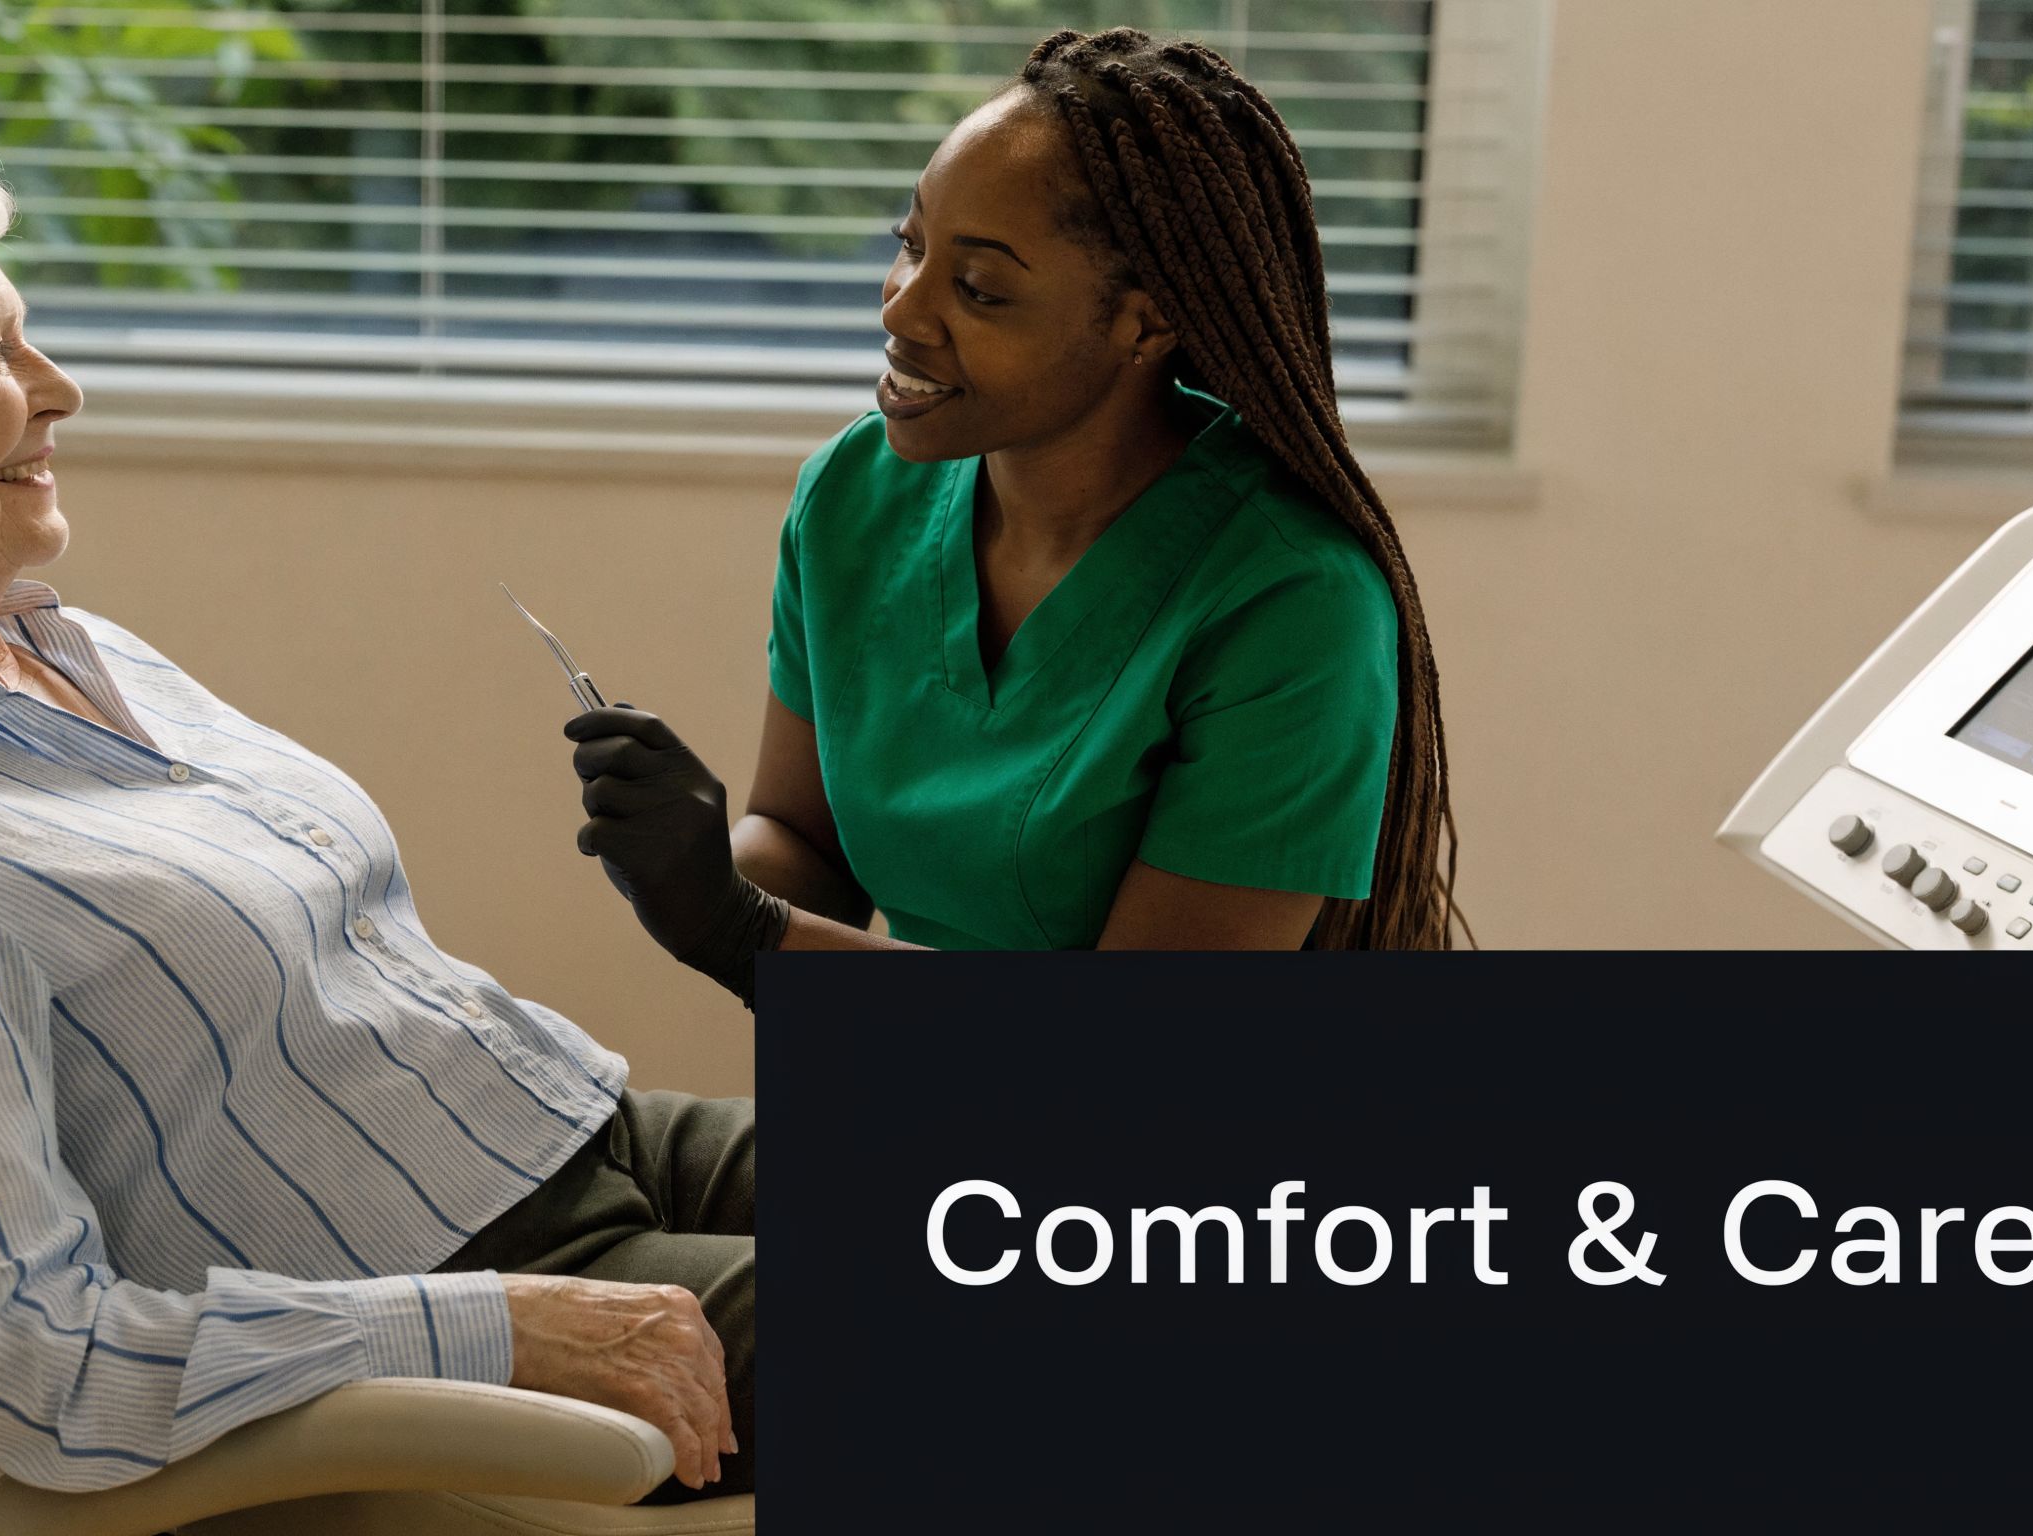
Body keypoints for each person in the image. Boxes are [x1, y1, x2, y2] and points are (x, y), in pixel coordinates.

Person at [0, 95, 748, 1498]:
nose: (59, 386)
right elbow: (36, 1366)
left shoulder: (69, 648)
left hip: (582, 1127)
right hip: (490, 1275)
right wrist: (499, 1327)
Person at [568, 28, 1462, 998]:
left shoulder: (1294, 604)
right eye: (910, 244)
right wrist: (686, 866)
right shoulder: (855, 496)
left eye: (980, 288)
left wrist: (741, 931)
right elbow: (805, 843)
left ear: (1147, 321)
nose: (901, 311)